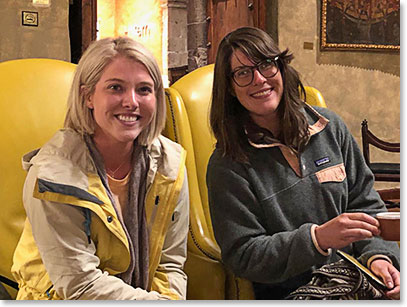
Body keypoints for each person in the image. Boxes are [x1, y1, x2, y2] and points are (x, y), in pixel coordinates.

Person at [206, 27, 400, 300]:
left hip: (357, 278)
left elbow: (365, 203)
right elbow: (243, 254)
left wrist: (379, 258)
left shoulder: (329, 127)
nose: (259, 79)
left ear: (282, 68)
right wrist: (316, 239)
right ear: (229, 89)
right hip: (292, 293)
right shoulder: (227, 165)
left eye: (266, 65)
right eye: (242, 73)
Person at [11, 37, 189, 300]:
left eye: (144, 90)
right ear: (88, 96)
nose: (131, 102)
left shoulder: (170, 164)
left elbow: (170, 264)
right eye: (116, 88)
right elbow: (80, 286)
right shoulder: (51, 175)